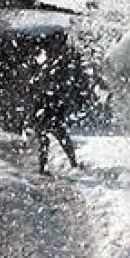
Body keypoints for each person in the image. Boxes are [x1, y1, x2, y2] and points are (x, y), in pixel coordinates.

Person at [25, 32, 81, 174]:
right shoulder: (49, 65)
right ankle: (48, 167)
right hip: (47, 107)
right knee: (52, 139)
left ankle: (70, 164)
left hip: (49, 107)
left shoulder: (49, 65)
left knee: (54, 139)